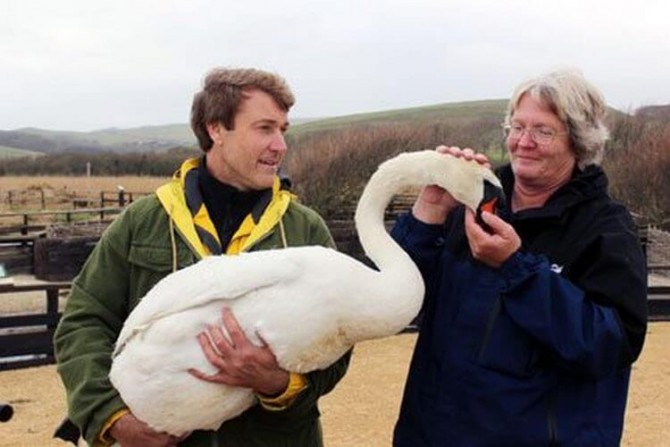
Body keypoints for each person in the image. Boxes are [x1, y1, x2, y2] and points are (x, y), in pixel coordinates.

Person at [54, 67, 351, 447]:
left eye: (283, 130)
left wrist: (277, 382)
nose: (280, 145)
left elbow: (338, 347)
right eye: (265, 128)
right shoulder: (143, 222)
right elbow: (83, 322)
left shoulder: (305, 232)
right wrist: (113, 418)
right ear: (216, 129)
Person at [391, 70, 647, 446]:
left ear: (579, 141)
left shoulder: (605, 228)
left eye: (543, 131)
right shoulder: (472, 202)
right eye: (516, 126)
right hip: (432, 433)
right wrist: (427, 215)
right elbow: (399, 300)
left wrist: (516, 269)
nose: (524, 142)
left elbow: (610, 345)